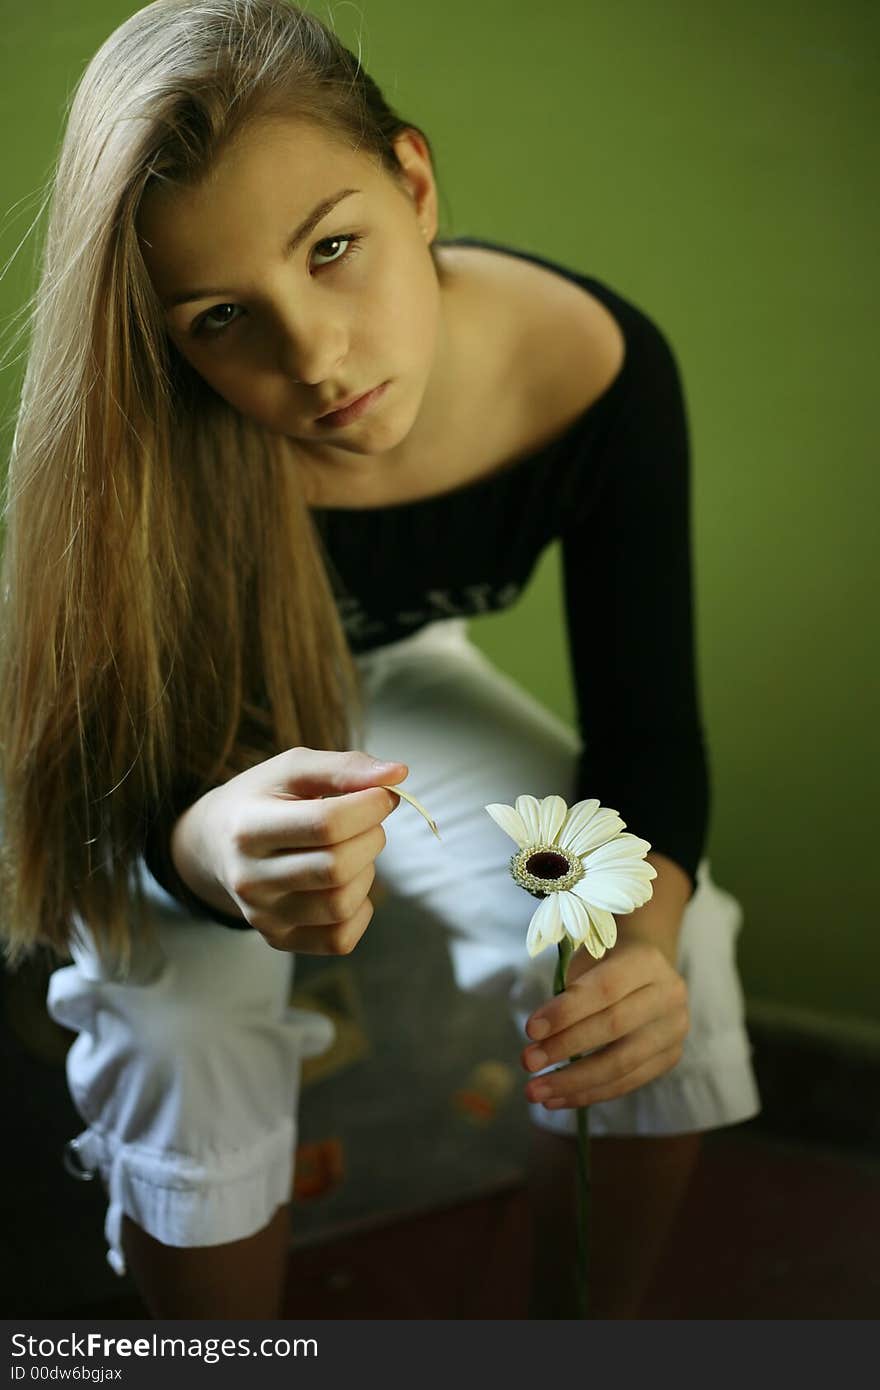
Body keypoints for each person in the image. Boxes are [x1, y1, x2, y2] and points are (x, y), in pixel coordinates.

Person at [0, 0, 761, 1319]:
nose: (314, 355)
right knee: (183, 1027)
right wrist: (202, 851)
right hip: (186, 743)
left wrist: (636, 947)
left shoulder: (594, 369)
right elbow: (87, 783)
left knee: (659, 950)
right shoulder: (142, 445)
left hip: (397, 675)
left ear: (414, 180)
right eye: (221, 316)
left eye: (334, 248)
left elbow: (648, 734)